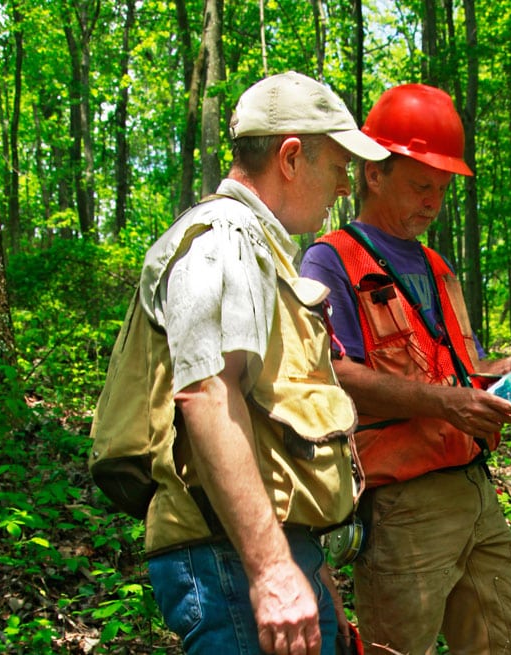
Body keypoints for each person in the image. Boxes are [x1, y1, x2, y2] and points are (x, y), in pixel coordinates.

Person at [122, 71, 388, 655]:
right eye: (339, 166)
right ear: (291, 157)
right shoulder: (224, 241)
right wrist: (270, 569)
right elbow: (208, 397)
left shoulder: (258, 249)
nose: (344, 186)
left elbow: (267, 430)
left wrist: (309, 569)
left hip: (250, 553)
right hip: (228, 562)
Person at [300, 83, 511, 655]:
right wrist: (446, 404)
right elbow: (333, 379)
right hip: (401, 508)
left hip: (476, 494)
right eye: (420, 185)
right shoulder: (332, 259)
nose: (433, 202)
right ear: (373, 174)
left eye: (442, 188)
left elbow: (458, 371)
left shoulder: (438, 266)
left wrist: (503, 372)